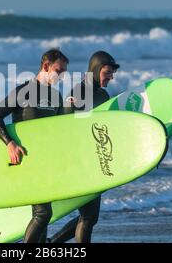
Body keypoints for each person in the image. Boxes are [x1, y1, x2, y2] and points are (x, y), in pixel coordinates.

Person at [0, 48, 69, 243]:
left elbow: (59, 132)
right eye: (59, 71)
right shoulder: (25, 91)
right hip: (27, 162)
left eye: (64, 72)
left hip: (45, 162)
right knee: (43, 213)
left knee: (42, 216)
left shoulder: (57, 97)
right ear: (46, 66)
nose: (62, 76)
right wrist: (10, 143)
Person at [50, 50, 120, 243]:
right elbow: (65, 129)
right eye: (107, 72)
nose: (111, 77)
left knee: (90, 217)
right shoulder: (78, 93)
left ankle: (50, 244)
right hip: (81, 163)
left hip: (94, 161)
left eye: (112, 73)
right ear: (96, 70)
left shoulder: (103, 95)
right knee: (89, 217)